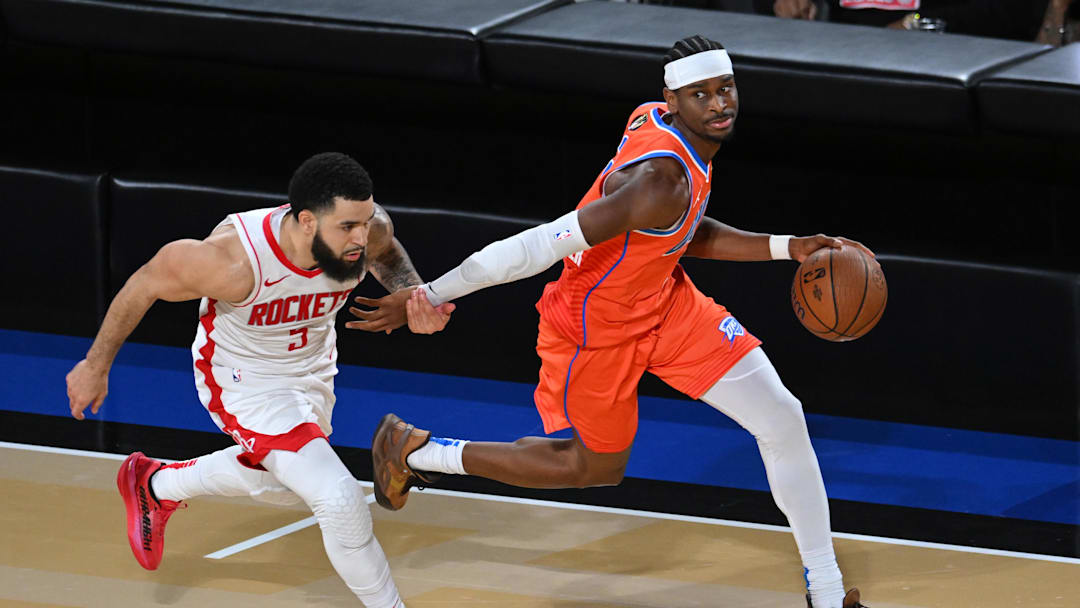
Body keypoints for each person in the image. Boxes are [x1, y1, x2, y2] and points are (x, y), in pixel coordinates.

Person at [358, 36, 871, 608]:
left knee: (781, 417)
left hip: (664, 300)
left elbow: (686, 228)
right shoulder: (659, 183)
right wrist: (426, 294)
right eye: (700, 95)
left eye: (724, 89)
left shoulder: (656, 125)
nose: (718, 104)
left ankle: (825, 590)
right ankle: (415, 451)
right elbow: (532, 249)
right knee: (592, 468)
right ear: (672, 100)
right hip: (593, 324)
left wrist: (786, 247)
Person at [65, 152, 453, 608]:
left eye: (365, 222)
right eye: (348, 227)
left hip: (312, 366)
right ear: (306, 221)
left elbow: (387, 255)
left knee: (283, 485)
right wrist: (95, 365)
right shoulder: (231, 260)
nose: (361, 237)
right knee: (339, 499)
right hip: (243, 380)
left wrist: (414, 297)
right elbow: (144, 284)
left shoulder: (369, 231)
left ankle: (155, 483)